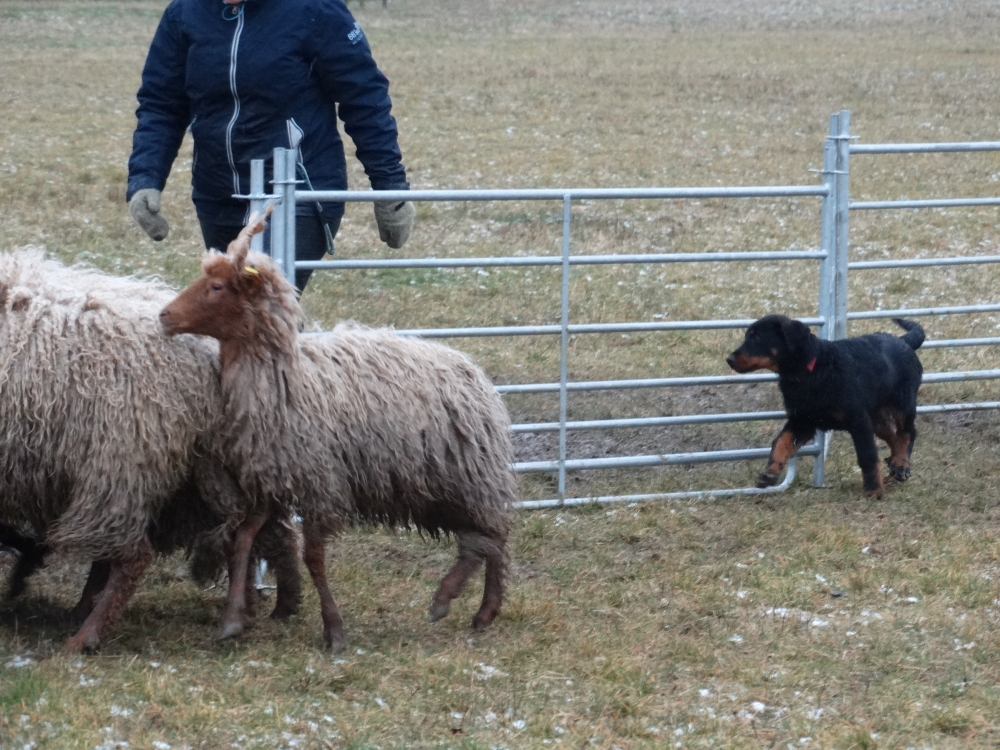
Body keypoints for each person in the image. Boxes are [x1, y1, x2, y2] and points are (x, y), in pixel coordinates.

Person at [126, 0, 414, 292]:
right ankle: (290, 338)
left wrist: (390, 189)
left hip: (296, 194)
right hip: (218, 196)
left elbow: (364, 98)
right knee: (236, 307)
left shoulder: (315, 10)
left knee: (260, 298)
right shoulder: (185, 14)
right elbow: (161, 104)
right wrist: (145, 178)